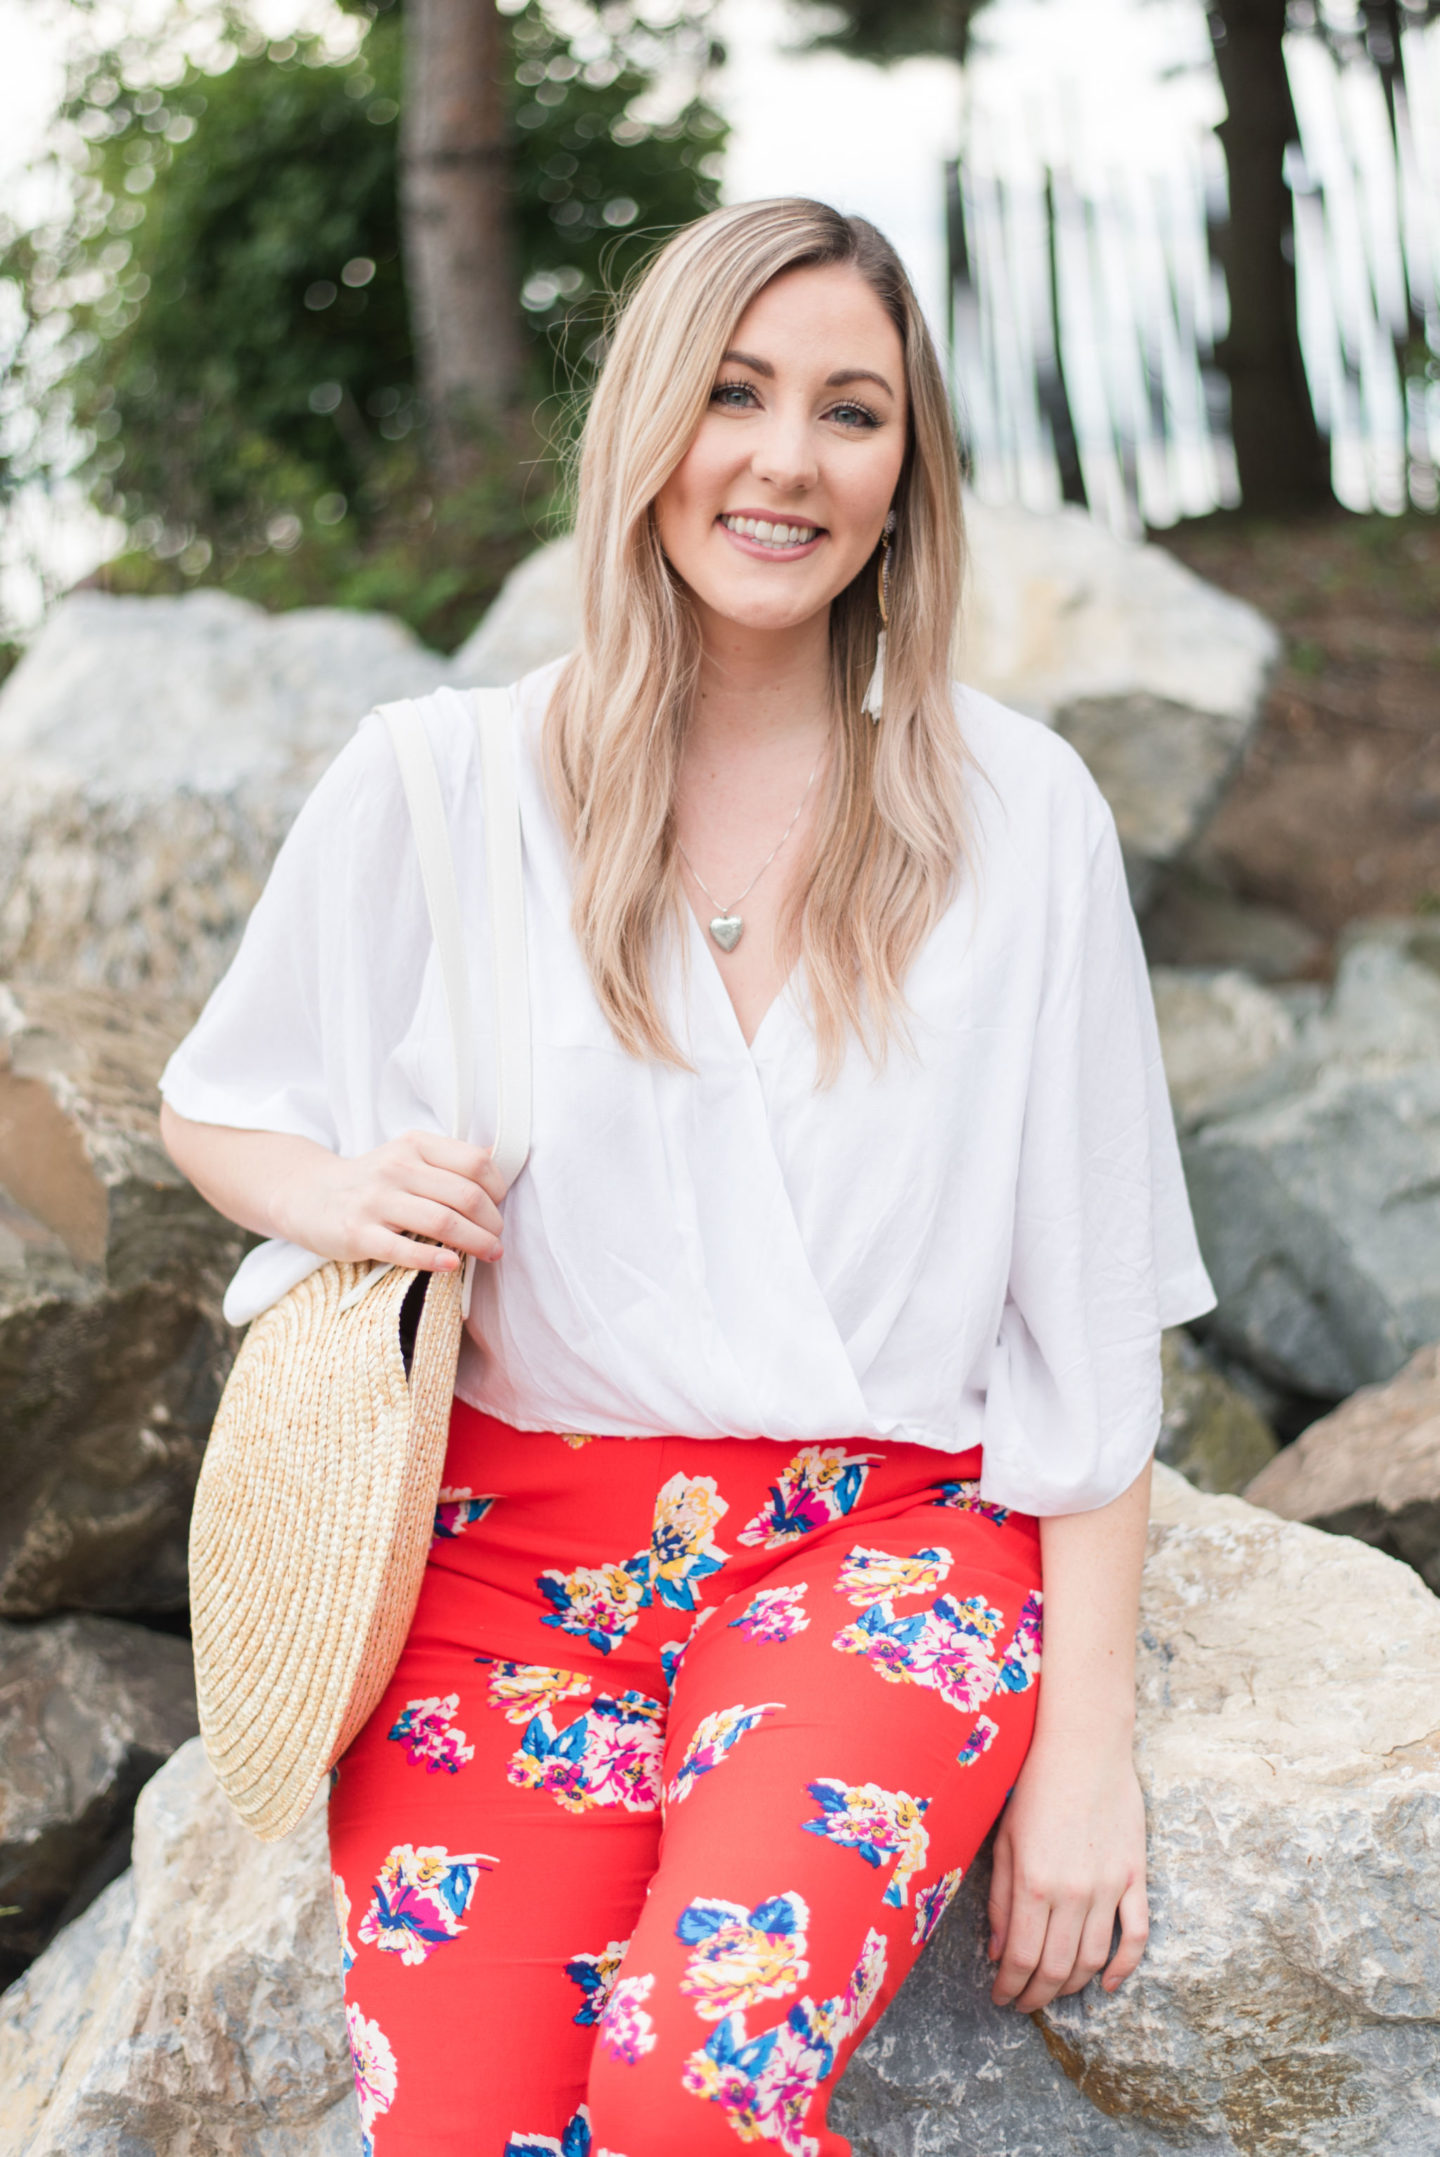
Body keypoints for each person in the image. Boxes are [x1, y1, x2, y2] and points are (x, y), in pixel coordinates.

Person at [159, 198, 1214, 2157]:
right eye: (735, 394)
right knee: (469, 2134)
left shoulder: (1015, 815)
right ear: (647, 424)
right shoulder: (439, 781)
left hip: (876, 1550)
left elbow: (1085, 1314)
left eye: (852, 411)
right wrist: (343, 1196)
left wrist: (1091, 1752)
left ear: (907, 478)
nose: (788, 458)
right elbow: (217, 1105)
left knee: (688, 2088)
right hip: (493, 1570)